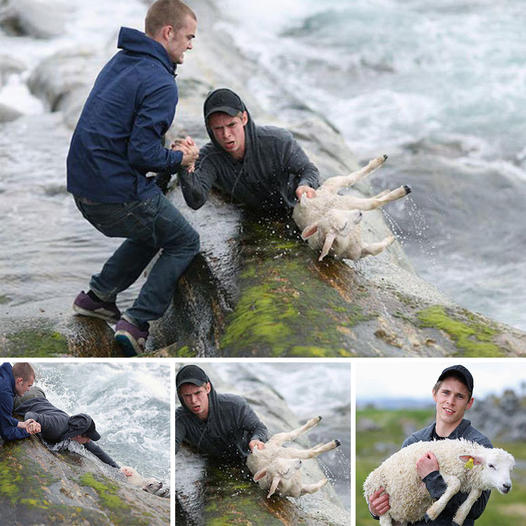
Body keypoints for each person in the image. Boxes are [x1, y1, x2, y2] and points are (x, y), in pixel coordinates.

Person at [67, 0, 201, 356]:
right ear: (168, 32)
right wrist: (180, 157)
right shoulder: (160, 81)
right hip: (114, 193)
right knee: (184, 240)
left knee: (154, 224)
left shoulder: (122, 61)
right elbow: (141, 153)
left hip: (84, 188)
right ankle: (137, 323)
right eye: (188, 36)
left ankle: (97, 297)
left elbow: (128, 138)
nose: (191, 44)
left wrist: (165, 151)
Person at [367, 365, 492, 526]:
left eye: (459, 396)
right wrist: (375, 510)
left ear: (469, 403)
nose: (450, 401)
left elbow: (476, 509)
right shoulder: (413, 442)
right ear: (435, 394)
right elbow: (396, 494)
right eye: (445, 393)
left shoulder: (479, 447)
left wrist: (433, 479)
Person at [177, 88, 319, 213]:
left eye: (231, 124)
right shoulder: (209, 157)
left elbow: (309, 169)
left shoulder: (277, 141)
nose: (226, 134)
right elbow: (196, 201)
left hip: (295, 207)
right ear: (209, 128)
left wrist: (305, 185)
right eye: (218, 128)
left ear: (244, 119)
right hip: (254, 214)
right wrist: (184, 165)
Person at [175, 364, 268, 461]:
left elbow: (260, 427)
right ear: (181, 396)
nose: (193, 400)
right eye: (187, 395)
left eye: (198, 393)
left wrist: (256, 439)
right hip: (215, 462)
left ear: (208, 388)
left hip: (248, 457)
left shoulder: (234, 405)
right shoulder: (180, 418)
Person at [14, 386, 119, 468]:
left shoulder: (74, 428)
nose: (88, 441)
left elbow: (96, 450)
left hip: (38, 393)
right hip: (24, 399)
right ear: (79, 435)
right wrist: (32, 423)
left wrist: (117, 468)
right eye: (88, 438)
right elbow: (30, 414)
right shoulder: (56, 427)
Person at [0, 362, 41, 441]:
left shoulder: (4, 374)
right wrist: (28, 431)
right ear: (20, 381)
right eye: (29, 385)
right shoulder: (5, 394)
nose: (29, 389)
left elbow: (3, 415)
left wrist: (20, 424)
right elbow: (7, 433)